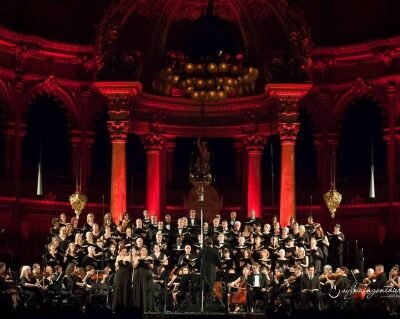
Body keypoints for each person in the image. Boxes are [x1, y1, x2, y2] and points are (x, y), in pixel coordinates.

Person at [199, 237, 221, 302]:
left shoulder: (202, 250)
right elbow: (219, 262)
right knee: (211, 286)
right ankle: (209, 302)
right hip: (212, 271)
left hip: (203, 271)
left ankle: (202, 302)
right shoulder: (215, 251)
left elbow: (197, 259)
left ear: (205, 243)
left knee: (202, 285)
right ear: (212, 243)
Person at [132, 247, 154, 312]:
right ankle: (138, 307)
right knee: (139, 290)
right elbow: (134, 267)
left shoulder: (149, 257)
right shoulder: (137, 257)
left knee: (146, 290)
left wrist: (148, 263)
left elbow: (151, 267)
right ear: (140, 251)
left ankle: (147, 308)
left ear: (147, 251)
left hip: (147, 275)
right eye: (142, 250)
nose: (144, 251)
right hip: (138, 276)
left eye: (145, 250)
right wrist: (138, 262)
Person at [112, 248, 132, 313]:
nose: (124, 252)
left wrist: (122, 261)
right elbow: (116, 266)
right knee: (118, 288)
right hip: (119, 275)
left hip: (126, 275)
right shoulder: (118, 257)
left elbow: (128, 265)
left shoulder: (128, 257)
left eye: (126, 251)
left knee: (125, 288)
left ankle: (125, 306)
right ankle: (117, 306)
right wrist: (121, 261)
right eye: (123, 251)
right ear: (120, 251)